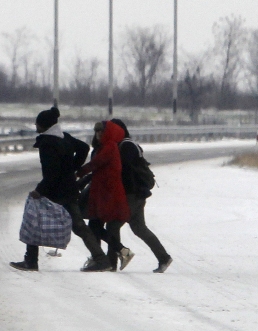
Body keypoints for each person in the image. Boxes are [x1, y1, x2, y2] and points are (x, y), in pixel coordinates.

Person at [10, 107, 113, 272]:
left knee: (34, 218)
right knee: (79, 226)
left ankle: (31, 261)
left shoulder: (47, 143)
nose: (36, 125)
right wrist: (72, 168)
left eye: (37, 123)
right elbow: (83, 148)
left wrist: (39, 191)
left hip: (55, 190)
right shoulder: (64, 137)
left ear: (44, 125)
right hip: (69, 189)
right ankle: (101, 259)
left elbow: (51, 173)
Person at [111, 118, 173, 273]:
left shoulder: (126, 146)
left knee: (113, 226)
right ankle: (163, 257)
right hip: (138, 194)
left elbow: (124, 171)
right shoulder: (128, 144)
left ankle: (111, 261)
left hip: (132, 194)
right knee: (139, 228)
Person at [78, 121, 134, 271]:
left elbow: (96, 163)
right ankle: (116, 253)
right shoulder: (102, 147)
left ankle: (104, 258)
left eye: (101, 131)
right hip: (102, 191)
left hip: (108, 193)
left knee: (94, 225)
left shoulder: (109, 147)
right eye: (96, 131)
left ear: (108, 132)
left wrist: (79, 172)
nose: (98, 134)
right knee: (95, 225)